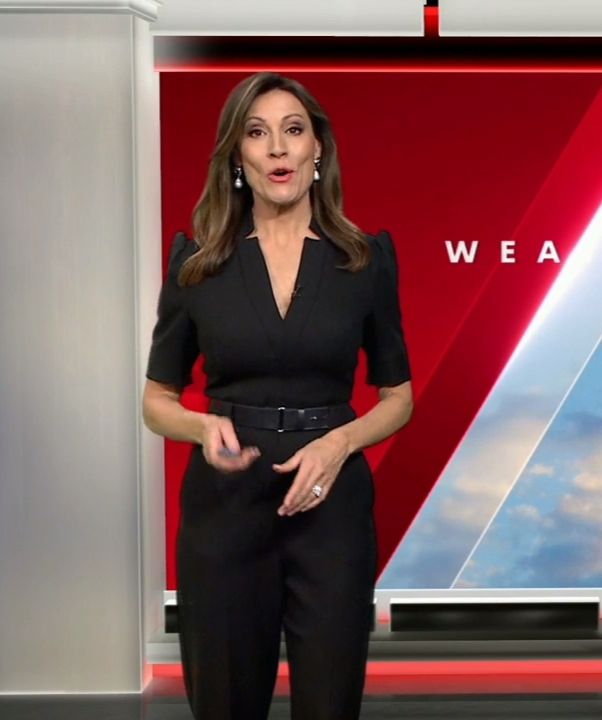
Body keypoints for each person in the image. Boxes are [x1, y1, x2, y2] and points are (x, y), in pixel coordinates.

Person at [142, 71, 413, 720]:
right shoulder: (198, 264)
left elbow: (397, 397)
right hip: (226, 511)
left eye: (293, 130)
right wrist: (201, 428)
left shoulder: (364, 260)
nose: (278, 148)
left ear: (318, 148)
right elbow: (156, 399)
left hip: (332, 512)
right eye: (257, 133)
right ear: (237, 156)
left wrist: (339, 445)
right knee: (225, 702)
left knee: (329, 703)